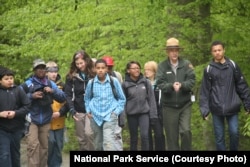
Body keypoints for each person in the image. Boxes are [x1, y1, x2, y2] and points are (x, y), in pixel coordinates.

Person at [199, 41, 250, 151]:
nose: (217, 52)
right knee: (219, 137)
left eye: (219, 50)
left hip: (232, 106)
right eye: (214, 51)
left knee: (234, 132)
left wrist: (248, 104)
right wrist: (204, 110)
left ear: (224, 50)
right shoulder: (208, 69)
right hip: (216, 108)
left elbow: (242, 86)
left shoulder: (232, 65)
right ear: (212, 53)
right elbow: (205, 91)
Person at [22, 59, 66, 167]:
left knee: (44, 148)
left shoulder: (50, 84)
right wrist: (32, 96)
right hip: (31, 119)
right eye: (38, 68)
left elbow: (63, 98)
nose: (41, 70)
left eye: (42, 68)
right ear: (34, 70)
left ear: (45, 70)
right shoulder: (28, 83)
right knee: (33, 146)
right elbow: (18, 98)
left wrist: (53, 91)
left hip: (46, 119)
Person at [156, 37, 195, 150]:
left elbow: (192, 80)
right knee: (172, 138)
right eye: (171, 50)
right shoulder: (162, 66)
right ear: (167, 52)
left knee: (186, 131)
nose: (174, 52)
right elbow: (160, 83)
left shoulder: (186, 64)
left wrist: (182, 85)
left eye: (176, 50)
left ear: (179, 51)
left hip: (185, 104)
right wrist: (171, 86)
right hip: (168, 107)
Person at [84, 59, 126, 150]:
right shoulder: (91, 83)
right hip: (95, 116)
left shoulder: (113, 81)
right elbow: (87, 98)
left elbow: (122, 98)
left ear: (106, 69)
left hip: (110, 115)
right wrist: (88, 111)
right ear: (95, 69)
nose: (100, 70)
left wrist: (116, 112)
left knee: (108, 143)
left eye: (103, 68)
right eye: (98, 68)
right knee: (98, 144)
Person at [122, 61, 158, 150]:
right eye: (134, 68)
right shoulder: (125, 84)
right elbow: (122, 102)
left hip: (144, 113)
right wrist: (122, 118)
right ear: (128, 71)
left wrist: (153, 115)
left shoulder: (145, 82)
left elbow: (151, 99)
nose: (137, 70)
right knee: (134, 138)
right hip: (131, 114)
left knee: (145, 136)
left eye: (138, 68)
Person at [64, 50, 95, 151]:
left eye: (81, 63)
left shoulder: (94, 75)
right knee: (81, 138)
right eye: (77, 64)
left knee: (89, 133)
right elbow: (68, 95)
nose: (79, 66)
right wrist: (72, 110)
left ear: (86, 61)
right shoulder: (71, 77)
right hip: (78, 110)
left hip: (92, 110)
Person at [0, 66, 31, 167]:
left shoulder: (18, 90)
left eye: (11, 78)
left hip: (16, 129)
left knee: (15, 156)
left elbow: (27, 106)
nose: (9, 81)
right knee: (4, 155)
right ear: (0, 80)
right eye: (6, 79)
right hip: (2, 129)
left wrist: (15, 113)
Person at [46, 61, 67, 167]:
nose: (53, 74)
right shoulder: (42, 84)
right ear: (46, 72)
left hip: (59, 120)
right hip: (46, 122)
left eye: (55, 71)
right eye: (51, 71)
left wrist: (60, 113)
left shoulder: (63, 85)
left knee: (58, 146)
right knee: (49, 145)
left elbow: (67, 102)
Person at [144, 61, 165, 151]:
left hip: (158, 112)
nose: (147, 72)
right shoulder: (143, 83)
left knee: (159, 134)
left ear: (154, 71)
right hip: (145, 112)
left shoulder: (160, 83)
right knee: (147, 136)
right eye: (145, 70)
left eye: (149, 70)